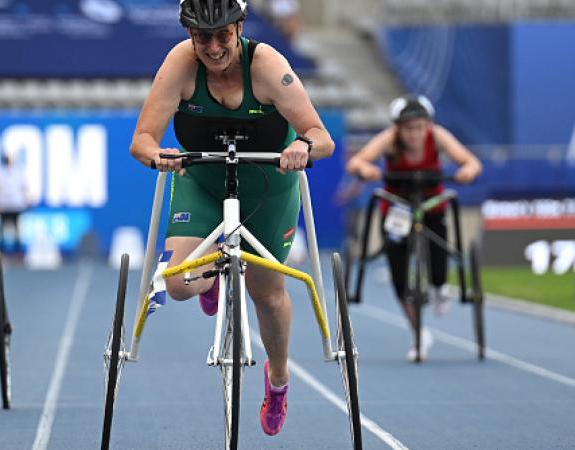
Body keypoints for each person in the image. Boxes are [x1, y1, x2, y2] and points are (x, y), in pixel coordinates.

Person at [130, 0, 334, 436]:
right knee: (179, 284)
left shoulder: (267, 65)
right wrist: (159, 155)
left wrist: (303, 146)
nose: (213, 47)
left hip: (266, 187)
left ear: (240, 27)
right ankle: (217, 274)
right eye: (202, 36)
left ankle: (277, 381)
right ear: (189, 34)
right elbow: (142, 140)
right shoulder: (180, 64)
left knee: (267, 292)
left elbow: (322, 138)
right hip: (203, 181)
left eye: (223, 34)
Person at [345, 94, 481, 361]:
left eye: (419, 127)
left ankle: (440, 287)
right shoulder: (388, 139)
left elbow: (472, 162)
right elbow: (356, 162)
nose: (414, 134)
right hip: (397, 207)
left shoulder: (438, 136)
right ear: (397, 128)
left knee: (438, 263)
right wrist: (367, 170)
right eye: (408, 128)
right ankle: (418, 333)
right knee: (398, 276)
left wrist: (467, 171)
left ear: (427, 125)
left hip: (432, 204)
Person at [0, 153, 30, 256]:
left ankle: (17, 250)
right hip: (3, 204)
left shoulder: (17, 173)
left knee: (16, 228)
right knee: (2, 228)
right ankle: (1, 251)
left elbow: (24, 188)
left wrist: (27, 201)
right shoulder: (0, 173)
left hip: (15, 204)